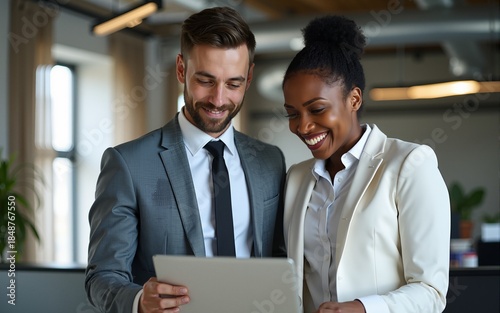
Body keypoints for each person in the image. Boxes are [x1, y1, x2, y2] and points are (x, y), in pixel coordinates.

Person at [85, 7, 286, 313]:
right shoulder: (127, 164)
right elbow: (102, 277)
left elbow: (279, 259)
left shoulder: (270, 162)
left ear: (249, 77)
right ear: (181, 69)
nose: (219, 100)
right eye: (205, 81)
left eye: (233, 84)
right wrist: (139, 301)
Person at [282, 15, 450, 313]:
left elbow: (431, 291)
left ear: (354, 99)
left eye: (317, 109)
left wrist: (364, 308)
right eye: (292, 114)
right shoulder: (296, 179)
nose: (303, 126)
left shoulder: (409, 164)